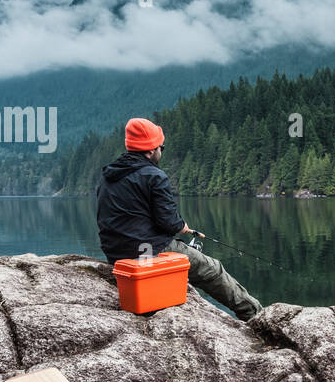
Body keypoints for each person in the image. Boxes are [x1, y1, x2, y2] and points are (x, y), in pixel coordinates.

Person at [96, 117, 263, 320]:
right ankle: (256, 316)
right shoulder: (154, 176)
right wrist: (181, 225)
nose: (161, 151)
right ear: (150, 151)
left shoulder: (108, 176)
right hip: (149, 250)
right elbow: (167, 222)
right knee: (212, 269)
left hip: (115, 254)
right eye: (161, 147)